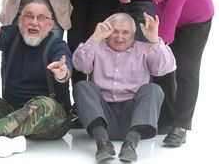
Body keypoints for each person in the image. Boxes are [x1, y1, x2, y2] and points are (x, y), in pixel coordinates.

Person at [120, 0, 214, 147]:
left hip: (195, 17)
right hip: (166, 16)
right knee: (162, 69)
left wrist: (163, 39)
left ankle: (181, 125)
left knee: (185, 68)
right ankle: (167, 118)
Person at [0, 0, 72, 157]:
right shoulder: (13, 34)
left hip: (50, 119)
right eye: (29, 16)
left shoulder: (57, 45)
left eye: (41, 18)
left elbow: (64, 67)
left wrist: (62, 73)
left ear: (50, 25)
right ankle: (4, 141)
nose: (34, 22)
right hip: (12, 111)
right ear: (20, 21)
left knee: (44, 103)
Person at [73, 12, 176, 161]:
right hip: (102, 118)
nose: (119, 37)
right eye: (115, 31)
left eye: (125, 32)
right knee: (82, 86)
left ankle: (130, 144)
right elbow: (80, 65)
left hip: (133, 118)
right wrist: (95, 38)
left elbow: (167, 67)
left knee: (153, 89)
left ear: (133, 34)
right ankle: (103, 144)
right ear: (108, 32)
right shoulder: (97, 46)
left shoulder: (145, 49)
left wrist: (154, 40)